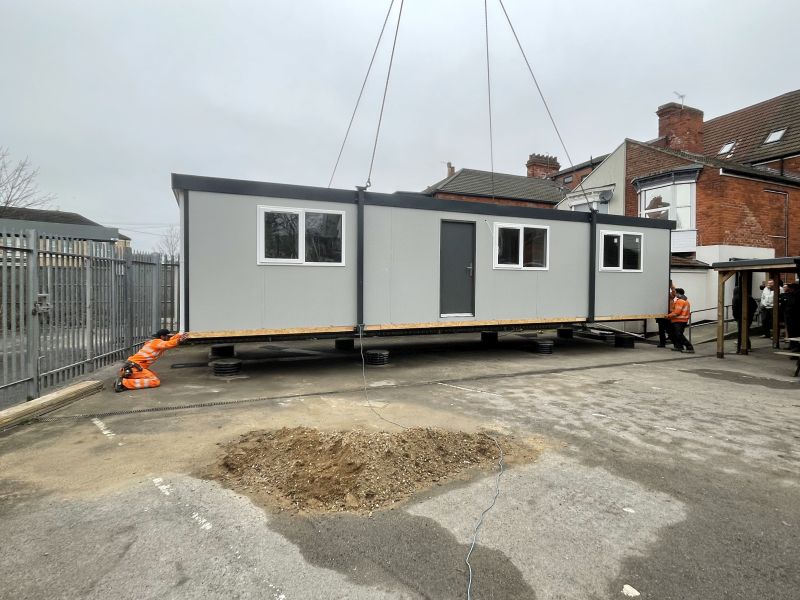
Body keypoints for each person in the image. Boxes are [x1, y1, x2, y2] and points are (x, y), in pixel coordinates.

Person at [115, 329, 188, 392]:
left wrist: (180, 335)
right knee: (155, 381)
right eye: (167, 336)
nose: (169, 337)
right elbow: (168, 343)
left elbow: (170, 340)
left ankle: (127, 377)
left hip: (132, 367)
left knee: (153, 375)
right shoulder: (157, 342)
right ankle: (123, 382)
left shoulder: (154, 342)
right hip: (133, 368)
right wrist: (179, 340)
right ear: (162, 337)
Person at [731, 286, 757, 354]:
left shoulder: (735, 298)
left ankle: (741, 347)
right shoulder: (749, 297)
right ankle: (747, 345)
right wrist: (751, 313)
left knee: (741, 332)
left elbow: (734, 308)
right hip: (749, 317)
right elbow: (755, 306)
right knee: (745, 331)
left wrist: (735, 317)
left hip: (740, 317)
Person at [668, 287, 694, 353]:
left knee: (678, 334)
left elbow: (676, 312)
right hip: (683, 320)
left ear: (678, 293)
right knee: (677, 334)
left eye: (675, 293)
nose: (674, 294)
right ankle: (679, 346)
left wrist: (668, 316)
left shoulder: (680, 301)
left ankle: (689, 347)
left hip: (679, 320)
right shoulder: (685, 300)